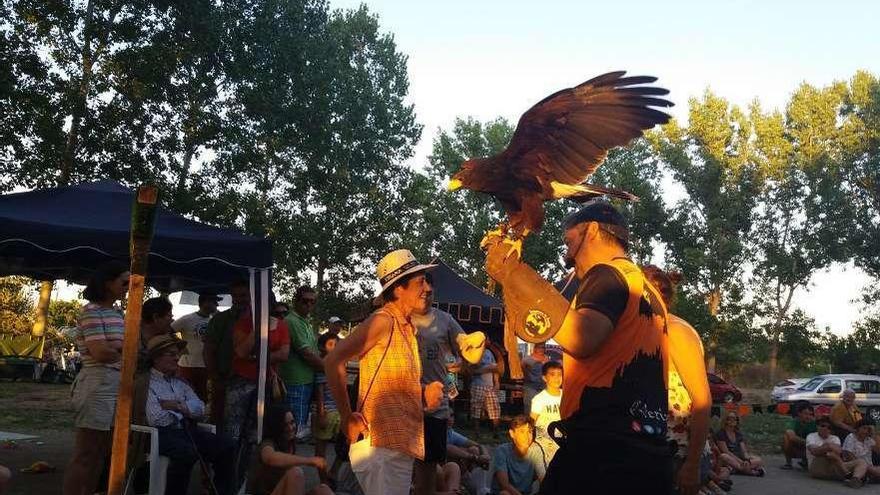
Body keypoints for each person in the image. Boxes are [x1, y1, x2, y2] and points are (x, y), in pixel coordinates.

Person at [484, 200, 672, 494]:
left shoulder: (608, 275)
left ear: (593, 231)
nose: (568, 255)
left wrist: (513, 274)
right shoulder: (648, 292)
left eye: (570, 242)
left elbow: (582, 338)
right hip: (648, 451)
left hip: (602, 452)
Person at [324, 249, 444, 495]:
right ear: (399, 289)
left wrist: (422, 393)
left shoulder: (405, 326)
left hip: (396, 444)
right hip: (382, 445)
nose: (428, 288)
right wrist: (347, 418)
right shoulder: (384, 320)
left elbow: (391, 382)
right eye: (420, 282)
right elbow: (332, 361)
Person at [412, 272, 487, 495]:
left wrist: (473, 349)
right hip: (405, 404)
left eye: (430, 285)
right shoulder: (398, 318)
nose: (426, 290)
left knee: (428, 470)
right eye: (420, 285)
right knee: (402, 470)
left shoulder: (445, 320)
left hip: (436, 409)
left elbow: (467, 351)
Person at [642, 266, 712, 495]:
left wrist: (691, 466)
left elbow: (702, 403)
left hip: (678, 457)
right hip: (655, 453)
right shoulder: (650, 331)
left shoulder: (676, 332)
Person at [63, 261, 129, 495]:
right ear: (107, 283)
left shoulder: (117, 313)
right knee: (86, 452)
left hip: (116, 383)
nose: (128, 287)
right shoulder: (91, 311)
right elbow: (101, 353)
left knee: (103, 452)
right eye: (124, 282)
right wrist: (122, 346)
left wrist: (116, 346)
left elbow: (114, 349)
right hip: (97, 383)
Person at [144, 334, 236, 495]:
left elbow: (201, 409)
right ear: (156, 358)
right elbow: (157, 419)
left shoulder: (179, 382)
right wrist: (185, 411)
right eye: (171, 354)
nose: (177, 358)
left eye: (177, 354)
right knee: (186, 452)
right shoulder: (146, 383)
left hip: (186, 430)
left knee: (227, 445)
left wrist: (178, 406)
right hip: (160, 434)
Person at [224, 300, 291, 445]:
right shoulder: (243, 323)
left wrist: (256, 357)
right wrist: (258, 330)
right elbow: (241, 352)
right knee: (234, 425)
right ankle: (231, 461)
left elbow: (284, 354)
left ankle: (252, 461)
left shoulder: (281, 326)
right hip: (241, 380)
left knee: (259, 427)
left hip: (266, 381)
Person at [256, 405, 333, 495]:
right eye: (285, 425)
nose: (290, 428)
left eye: (292, 423)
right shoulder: (267, 444)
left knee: (323, 490)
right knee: (295, 473)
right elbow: (270, 458)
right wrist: (309, 461)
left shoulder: (289, 444)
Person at [204, 278, 251, 427]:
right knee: (219, 420)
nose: (239, 299)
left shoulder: (260, 320)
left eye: (243, 295)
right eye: (235, 296)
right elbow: (208, 350)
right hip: (224, 379)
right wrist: (215, 377)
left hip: (251, 380)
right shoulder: (220, 320)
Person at [280, 286, 323, 441]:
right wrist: (329, 368)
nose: (309, 305)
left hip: (305, 381)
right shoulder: (292, 321)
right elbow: (307, 354)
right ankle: (287, 463)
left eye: (313, 302)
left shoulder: (304, 322)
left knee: (298, 428)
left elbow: (313, 351)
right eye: (305, 301)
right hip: (295, 382)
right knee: (293, 430)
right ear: (296, 301)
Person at [173, 292, 220, 400]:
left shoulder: (215, 320)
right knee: (185, 396)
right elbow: (168, 331)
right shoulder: (187, 319)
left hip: (207, 365)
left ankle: (200, 416)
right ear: (205, 303)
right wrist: (180, 344)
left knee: (203, 397)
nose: (216, 305)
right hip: (188, 365)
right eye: (214, 302)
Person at [491, 415, 546, 495]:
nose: (527, 437)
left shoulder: (536, 450)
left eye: (530, 432)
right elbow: (504, 484)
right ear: (512, 433)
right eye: (522, 432)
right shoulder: (502, 451)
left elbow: (543, 478)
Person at [807, 416, 868, 487]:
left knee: (861, 462)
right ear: (817, 426)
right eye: (823, 426)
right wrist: (828, 447)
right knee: (830, 455)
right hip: (817, 466)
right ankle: (849, 475)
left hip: (834, 466)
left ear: (831, 430)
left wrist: (826, 448)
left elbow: (838, 452)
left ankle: (855, 479)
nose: (825, 429)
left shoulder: (835, 438)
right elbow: (814, 451)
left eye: (829, 427)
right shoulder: (811, 436)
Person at [314, 333, 342, 485]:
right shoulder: (323, 365)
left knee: (345, 445)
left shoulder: (339, 363)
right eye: (331, 345)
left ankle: (331, 474)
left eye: (337, 344)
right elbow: (320, 392)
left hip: (338, 412)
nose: (335, 348)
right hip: (327, 412)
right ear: (322, 348)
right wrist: (321, 413)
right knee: (320, 450)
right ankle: (324, 481)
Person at [529, 361, 562, 463]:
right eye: (552, 375)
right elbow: (531, 422)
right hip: (545, 443)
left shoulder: (567, 395)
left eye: (560, 374)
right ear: (544, 378)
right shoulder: (539, 399)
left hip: (563, 442)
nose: (557, 378)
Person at [714, 412, 764, 476]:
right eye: (730, 418)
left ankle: (740, 469)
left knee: (758, 459)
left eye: (735, 419)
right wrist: (741, 462)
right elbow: (726, 451)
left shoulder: (738, 434)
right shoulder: (721, 434)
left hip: (739, 458)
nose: (733, 420)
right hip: (729, 459)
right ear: (726, 420)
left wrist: (746, 459)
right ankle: (750, 471)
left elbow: (744, 451)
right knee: (724, 456)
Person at [470, 348, 501, 437]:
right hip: (477, 384)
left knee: (495, 408)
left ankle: (496, 432)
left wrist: (497, 382)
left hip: (490, 386)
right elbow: (471, 368)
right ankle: (476, 433)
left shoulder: (489, 352)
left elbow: (495, 368)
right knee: (476, 408)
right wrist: (485, 368)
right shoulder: (473, 352)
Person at [139, 297, 174, 370]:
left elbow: (184, 351)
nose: (172, 320)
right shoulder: (128, 336)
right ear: (156, 317)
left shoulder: (170, 334)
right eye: (169, 316)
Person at [782, 403, 816, 470]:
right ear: (799, 413)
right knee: (786, 437)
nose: (808, 416)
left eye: (810, 414)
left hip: (810, 447)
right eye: (805, 414)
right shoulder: (793, 422)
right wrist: (808, 443)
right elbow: (791, 436)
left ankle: (806, 462)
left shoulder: (815, 423)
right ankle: (788, 463)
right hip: (800, 445)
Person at [521, 344, 548, 415]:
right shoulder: (527, 359)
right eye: (539, 347)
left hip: (543, 386)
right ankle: (528, 424)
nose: (541, 349)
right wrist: (527, 376)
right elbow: (522, 368)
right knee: (529, 406)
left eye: (543, 347)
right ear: (535, 348)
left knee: (542, 406)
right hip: (530, 386)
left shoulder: (547, 358)